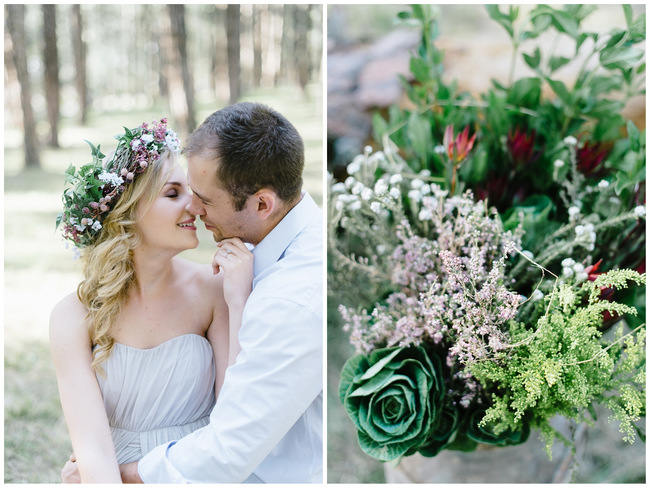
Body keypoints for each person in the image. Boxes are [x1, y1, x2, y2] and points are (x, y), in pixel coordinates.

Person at [119, 102, 323, 483]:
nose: (193, 209)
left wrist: (122, 473)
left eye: (206, 200)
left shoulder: (290, 301)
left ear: (263, 203)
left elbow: (228, 451)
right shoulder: (277, 250)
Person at [50, 119, 253, 482]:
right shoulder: (73, 316)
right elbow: (93, 450)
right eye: (173, 194)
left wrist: (238, 302)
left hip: (198, 472)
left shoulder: (215, 290)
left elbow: (234, 421)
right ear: (129, 212)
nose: (196, 206)